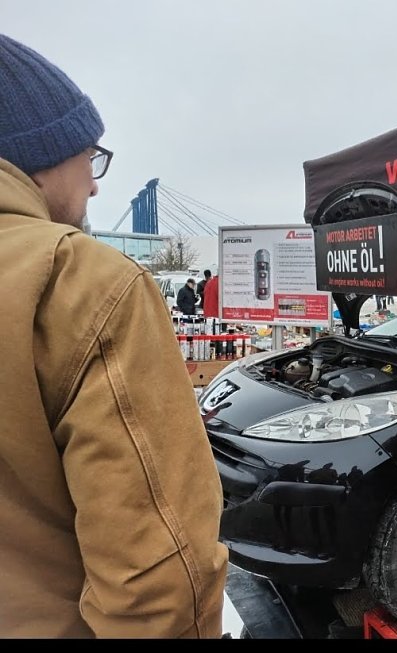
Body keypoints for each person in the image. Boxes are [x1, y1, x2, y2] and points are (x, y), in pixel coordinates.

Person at [0, 34, 227, 637]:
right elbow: (157, 569)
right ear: (37, 153)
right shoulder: (79, 282)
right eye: (91, 157)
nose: (97, 184)